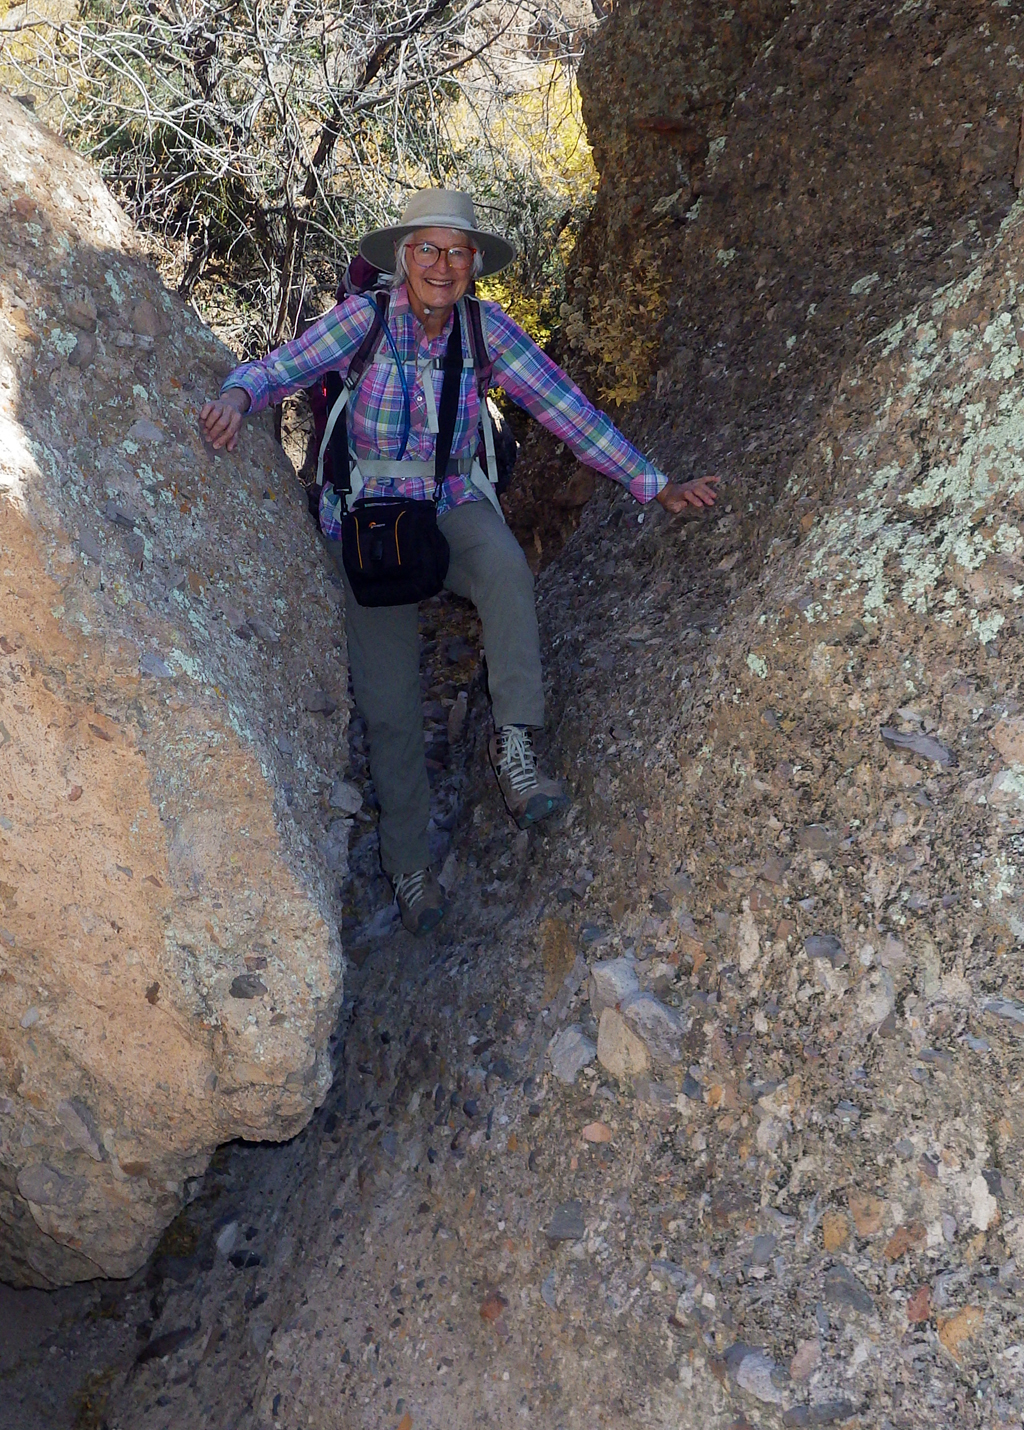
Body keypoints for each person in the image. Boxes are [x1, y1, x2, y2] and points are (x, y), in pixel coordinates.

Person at [200, 188, 717, 935]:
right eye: (428, 250)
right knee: (390, 699)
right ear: (404, 258)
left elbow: (565, 409)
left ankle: (515, 751)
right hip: (367, 518)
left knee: (506, 572)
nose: (442, 265)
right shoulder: (366, 320)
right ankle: (409, 865)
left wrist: (655, 484)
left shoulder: (484, 329)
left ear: (474, 263)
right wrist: (235, 396)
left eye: (457, 252)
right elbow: (279, 368)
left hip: (447, 504)